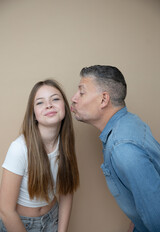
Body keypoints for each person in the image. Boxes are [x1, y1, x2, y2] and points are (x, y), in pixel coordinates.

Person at [71, 65, 160, 232]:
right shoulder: (128, 121)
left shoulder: (123, 148)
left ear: (104, 99)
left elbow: (157, 219)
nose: (74, 98)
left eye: (81, 92)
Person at [0, 79, 79, 232]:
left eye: (55, 99)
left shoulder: (65, 143)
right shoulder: (19, 148)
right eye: (40, 103)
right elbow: (6, 211)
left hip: (53, 219)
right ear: (34, 115)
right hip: (20, 224)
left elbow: (66, 191)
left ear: (65, 107)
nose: (49, 105)